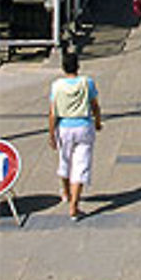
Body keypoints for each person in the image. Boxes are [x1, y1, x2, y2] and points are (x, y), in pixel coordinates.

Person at [49, 51, 102, 220]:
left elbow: (52, 112)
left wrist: (51, 133)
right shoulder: (87, 83)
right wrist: (98, 121)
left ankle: (65, 192)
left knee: (65, 161)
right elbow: (95, 105)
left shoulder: (56, 86)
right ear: (78, 66)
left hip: (64, 126)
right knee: (81, 165)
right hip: (84, 126)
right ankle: (74, 206)